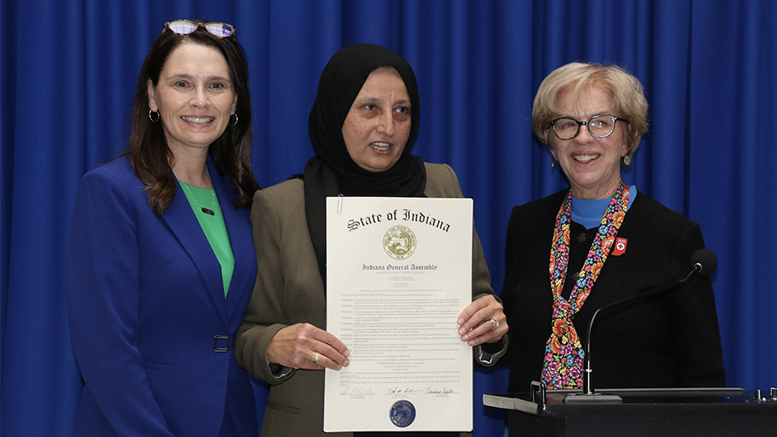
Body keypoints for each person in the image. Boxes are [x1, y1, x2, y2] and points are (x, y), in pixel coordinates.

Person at [235, 43, 508, 437]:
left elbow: (479, 301)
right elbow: (248, 332)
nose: (388, 127)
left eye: (402, 110)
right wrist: (273, 346)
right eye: (369, 108)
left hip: (429, 423)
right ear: (334, 112)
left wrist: (489, 329)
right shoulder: (280, 206)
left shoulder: (442, 186)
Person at [66, 19, 260, 436]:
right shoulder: (111, 191)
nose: (200, 101)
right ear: (153, 95)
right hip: (139, 425)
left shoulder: (241, 199)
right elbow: (106, 350)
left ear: (235, 101)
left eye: (216, 86)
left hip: (230, 421)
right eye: (182, 84)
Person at [501, 62, 726, 397]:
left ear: (629, 138)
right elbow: (513, 340)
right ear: (549, 141)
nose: (583, 137)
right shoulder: (528, 224)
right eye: (566, 124)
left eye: (601, 123)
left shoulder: (672, 236)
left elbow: (703, 382)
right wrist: (489, 332)